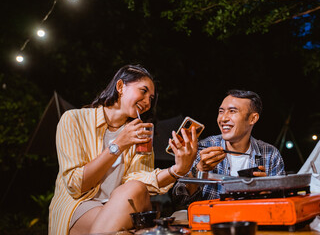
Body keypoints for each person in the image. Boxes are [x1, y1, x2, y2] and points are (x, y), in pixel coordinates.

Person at [49, 64, 198, 235]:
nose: (147, 102)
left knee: (135, 188)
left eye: (151, 98)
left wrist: (177, 170)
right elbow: (76, 185)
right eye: (143, 91)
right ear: (120, 87)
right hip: (79, 203)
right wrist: (118, 145)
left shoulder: (140, 134)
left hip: (121, 204)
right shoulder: (74, 120)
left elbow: (139, 179)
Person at [172, 89, 285, 206]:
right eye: (221, 111)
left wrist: (267, 191)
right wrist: (199, 170)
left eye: (232, 111)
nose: (223, 118)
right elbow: (180, 202)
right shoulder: (203, 147)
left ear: (253, 118)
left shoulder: (270, 154)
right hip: (212, 221)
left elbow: (281, 203)